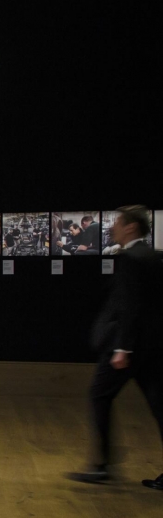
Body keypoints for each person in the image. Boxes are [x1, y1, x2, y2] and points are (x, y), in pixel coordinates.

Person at [68, 206, 163, 490]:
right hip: (154, 347)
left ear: (131, 227)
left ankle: (101, 466)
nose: (112, 228)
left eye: (117, 223)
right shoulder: (155, 256)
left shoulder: (131, 258)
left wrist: (123, 348)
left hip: (128, 349)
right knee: (160, 407)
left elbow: (129, 306)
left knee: (99, 395)